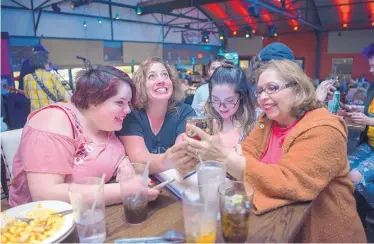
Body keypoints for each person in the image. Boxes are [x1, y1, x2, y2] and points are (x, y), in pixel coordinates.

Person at [184, 59, 366, 242]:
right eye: (260, 91)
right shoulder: (268, 121)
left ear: (297, 88)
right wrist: (234, 160)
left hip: (321, 233)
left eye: (272, 88)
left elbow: (290, 182)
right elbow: (246, 152)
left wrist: (224, 157)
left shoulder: (325, 129)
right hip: (281, 223)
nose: (263, 96)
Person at [9, 66, 159, 207]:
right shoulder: (54, 120)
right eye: (120, 102)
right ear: (94, 100)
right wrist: (125, 190)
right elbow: (45, 195)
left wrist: (123, 164)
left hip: (92, 211)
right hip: (42, 223)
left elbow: (111, 151)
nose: (127, 110)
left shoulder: (101, 121)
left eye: (128, 103)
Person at [117, 57, 196, 174]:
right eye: (152, 76)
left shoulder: (185, 112)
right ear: (141, 85)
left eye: (165, 75)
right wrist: (167, 160)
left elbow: (181, 157)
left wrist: (164, 162)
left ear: (172, 82)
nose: (161, 80)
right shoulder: (131, 115)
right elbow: (138, 159)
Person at [348, 43, 374, 222]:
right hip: (369, 144)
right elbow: (368, 113)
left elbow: (369, 119)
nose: (370, 69)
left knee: (356, 177)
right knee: (342, 168)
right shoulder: (373, 87)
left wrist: (368, 121)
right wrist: (354, 109)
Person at [204, 61, 256, 148]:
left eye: (229, 101)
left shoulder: (254, 126)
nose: (222, 107)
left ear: (242, 96)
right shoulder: (204, 123)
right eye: (216, 100)